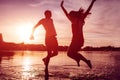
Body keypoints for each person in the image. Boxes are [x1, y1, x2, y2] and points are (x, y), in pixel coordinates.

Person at [60, 0, 96, 68]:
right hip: (78, 40)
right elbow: (66, 13)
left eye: (70, 16)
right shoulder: (78, 20)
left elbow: (66, 13)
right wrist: (62, 6)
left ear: (73, 16)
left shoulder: (76, 20)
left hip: (77, 40)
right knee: (71, 53)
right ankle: (78, 59)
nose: (69, 17)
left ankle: (86, 61)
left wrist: (62, 6)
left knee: (70, 53)